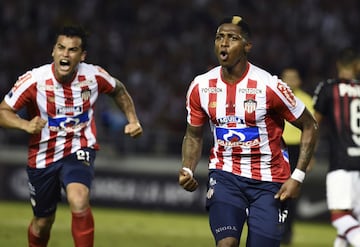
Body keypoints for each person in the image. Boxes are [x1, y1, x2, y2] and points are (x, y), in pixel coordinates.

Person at [178, 15, 318, 247]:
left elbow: (309, 125)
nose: (224, 43)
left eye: (232, 38)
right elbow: (193, 134)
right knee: (227, 243)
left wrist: (298, 176)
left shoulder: (269, 86)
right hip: (225, 176)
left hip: (269, 181)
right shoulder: (201, 86)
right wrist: (187, 168)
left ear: (247, 46)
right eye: (219, 37)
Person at [0, 25, 143, 247]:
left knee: (79, 199)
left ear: (82, 56)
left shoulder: (93, 76)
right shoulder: (34, 80)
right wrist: (24, 124)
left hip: (79, 147)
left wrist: (133, 119)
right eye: (61, 48)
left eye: (72, 50)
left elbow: (119, 90)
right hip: (43, 156)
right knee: (43, 222)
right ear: (53, 51)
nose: (65, 54)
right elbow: (3, 111)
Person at [313, 48, 360, 247]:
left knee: (340, 217)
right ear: (356, 66)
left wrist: (309, 155)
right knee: (351, 219)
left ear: (338, 65)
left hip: (341, 161)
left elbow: (314, 124)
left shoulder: (328, 87)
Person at [281, 67, 315, 244]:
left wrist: (310, 155)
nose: (289, 81)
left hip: (297, 149)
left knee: (292, 192)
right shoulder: (276, 95)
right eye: (286, 77)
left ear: (299, 81)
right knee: (272, 189)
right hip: (277, 148)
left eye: (293, 78)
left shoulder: (306, 100)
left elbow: (312, 129)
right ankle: (273, 227)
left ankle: (287, 232)